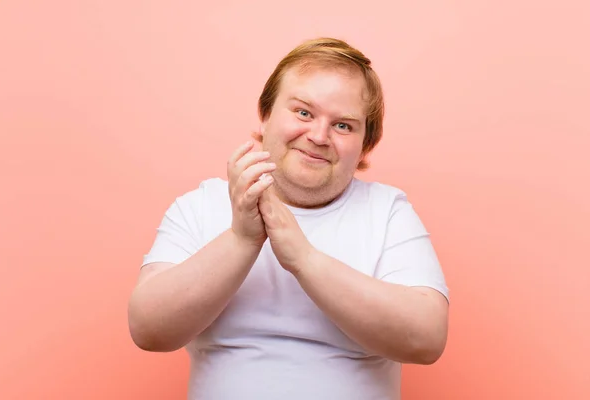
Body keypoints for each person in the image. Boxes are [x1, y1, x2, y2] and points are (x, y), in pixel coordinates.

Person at [127, 37, 449, 400]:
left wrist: (303, 258)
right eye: (303, 112)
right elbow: (148, 329)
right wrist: (241, 239)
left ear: (365, 144)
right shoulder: (202, 205)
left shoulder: (388, 211)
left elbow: (427, 338)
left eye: (343, 126)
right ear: (265, 116)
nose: (318, 136)